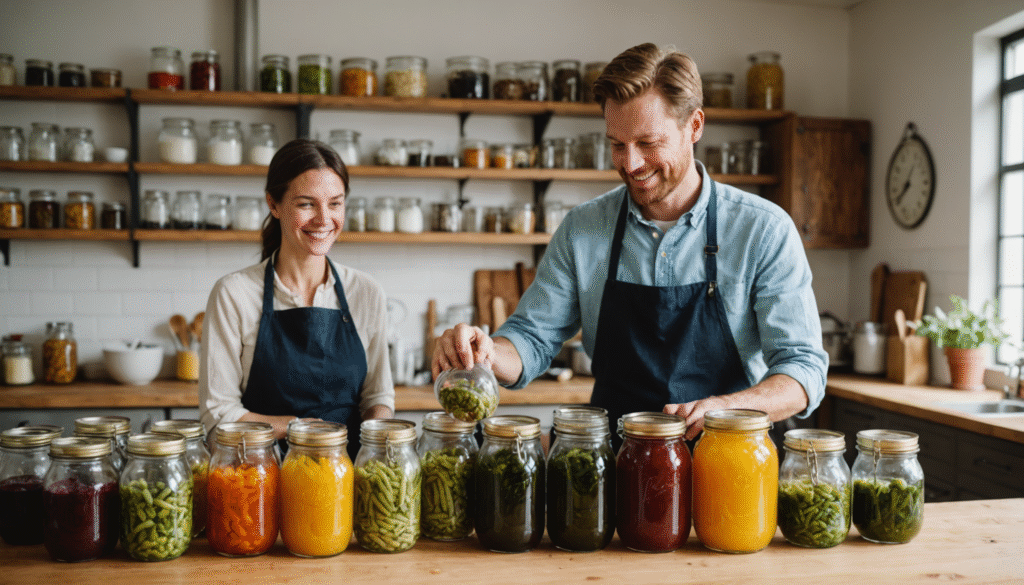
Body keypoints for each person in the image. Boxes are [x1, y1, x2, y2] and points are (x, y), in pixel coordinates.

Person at [432, 43, 827, 448]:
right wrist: (484, 352)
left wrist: (725, 410)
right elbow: (532, 338)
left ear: (694, 126)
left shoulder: (762, 230)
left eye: (648, 143)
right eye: (617, 144)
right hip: (615, 462)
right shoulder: (584, 229)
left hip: (729, 459)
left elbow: (803, 370)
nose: (631, 163)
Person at [199, 138, 394, 458]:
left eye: (335, 203)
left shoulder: (366, 291)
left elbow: (377, 398)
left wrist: (376, 445)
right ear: (273, 204)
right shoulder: (234, 294)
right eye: (306, 204)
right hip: (259, 479)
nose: (323, 219)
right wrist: (297, 429)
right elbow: (219, 416)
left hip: (347, 475)